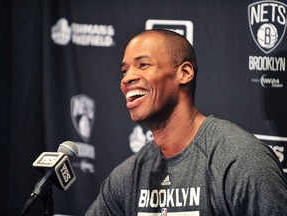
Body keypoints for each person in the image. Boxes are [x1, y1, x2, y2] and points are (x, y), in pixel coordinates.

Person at [85, 29, 287, 215]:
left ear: (184, 73)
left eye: (143, 65)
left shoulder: (239, 159)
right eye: (124, 71)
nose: (127, 79)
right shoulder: (128, 176)